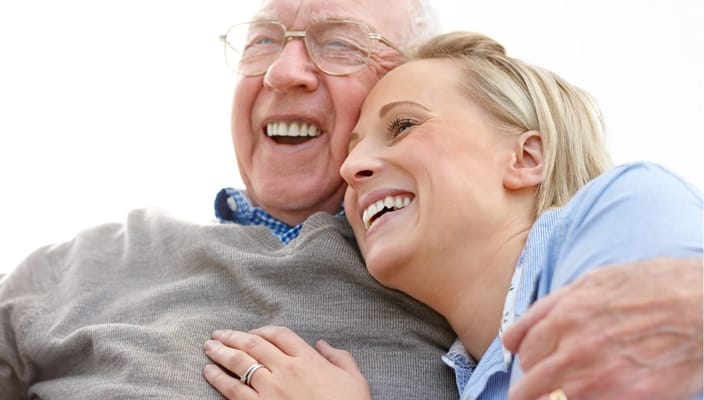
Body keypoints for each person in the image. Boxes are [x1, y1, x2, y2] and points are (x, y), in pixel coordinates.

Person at [0, 0, 700, 399]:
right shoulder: (99, 259)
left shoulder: (560, 255)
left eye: (338, 42)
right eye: (262, 40)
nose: (284, 72)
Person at [201, 31, 704, 400]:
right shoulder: (471, 380)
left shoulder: (621, 209)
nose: (351, 168)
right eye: (351, 150)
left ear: (526, 158)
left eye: (403, 125)